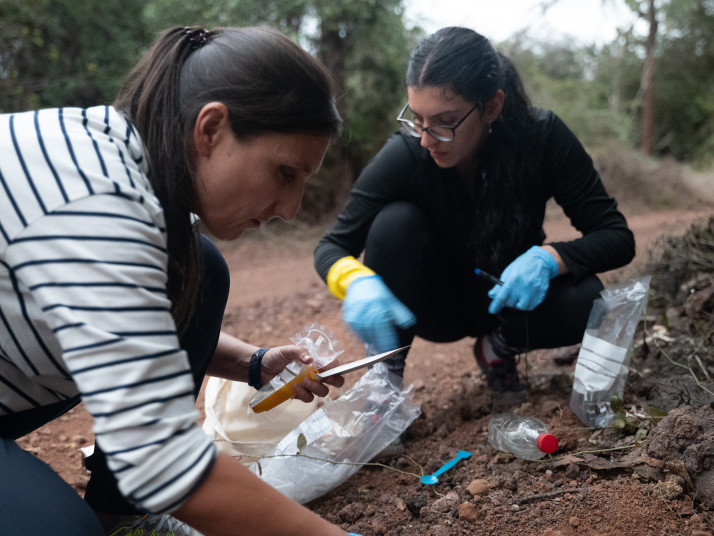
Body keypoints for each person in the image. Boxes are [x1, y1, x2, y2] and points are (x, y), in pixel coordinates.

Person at [0, 26, 358, 536]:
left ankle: (121, 516)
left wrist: (254, 364)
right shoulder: (96, 207)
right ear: (210, 130)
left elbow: (133, 331)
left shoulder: (136, 176)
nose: (291, 209)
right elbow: (163, 462)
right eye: (284, 173)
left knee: (199, 268)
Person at [314, 26, 635, 394]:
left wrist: (550, 259)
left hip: (510, 303)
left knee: (587, 299)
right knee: (394, 222)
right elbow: (331, 247)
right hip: (432, 308)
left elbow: (617, 237)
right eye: (417, 117)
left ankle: (497, 349)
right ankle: (385, 385)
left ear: (492, 106)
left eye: (445, 122)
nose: (426, 138)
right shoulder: (406, 155)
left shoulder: (543, 139)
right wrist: (356, 282)